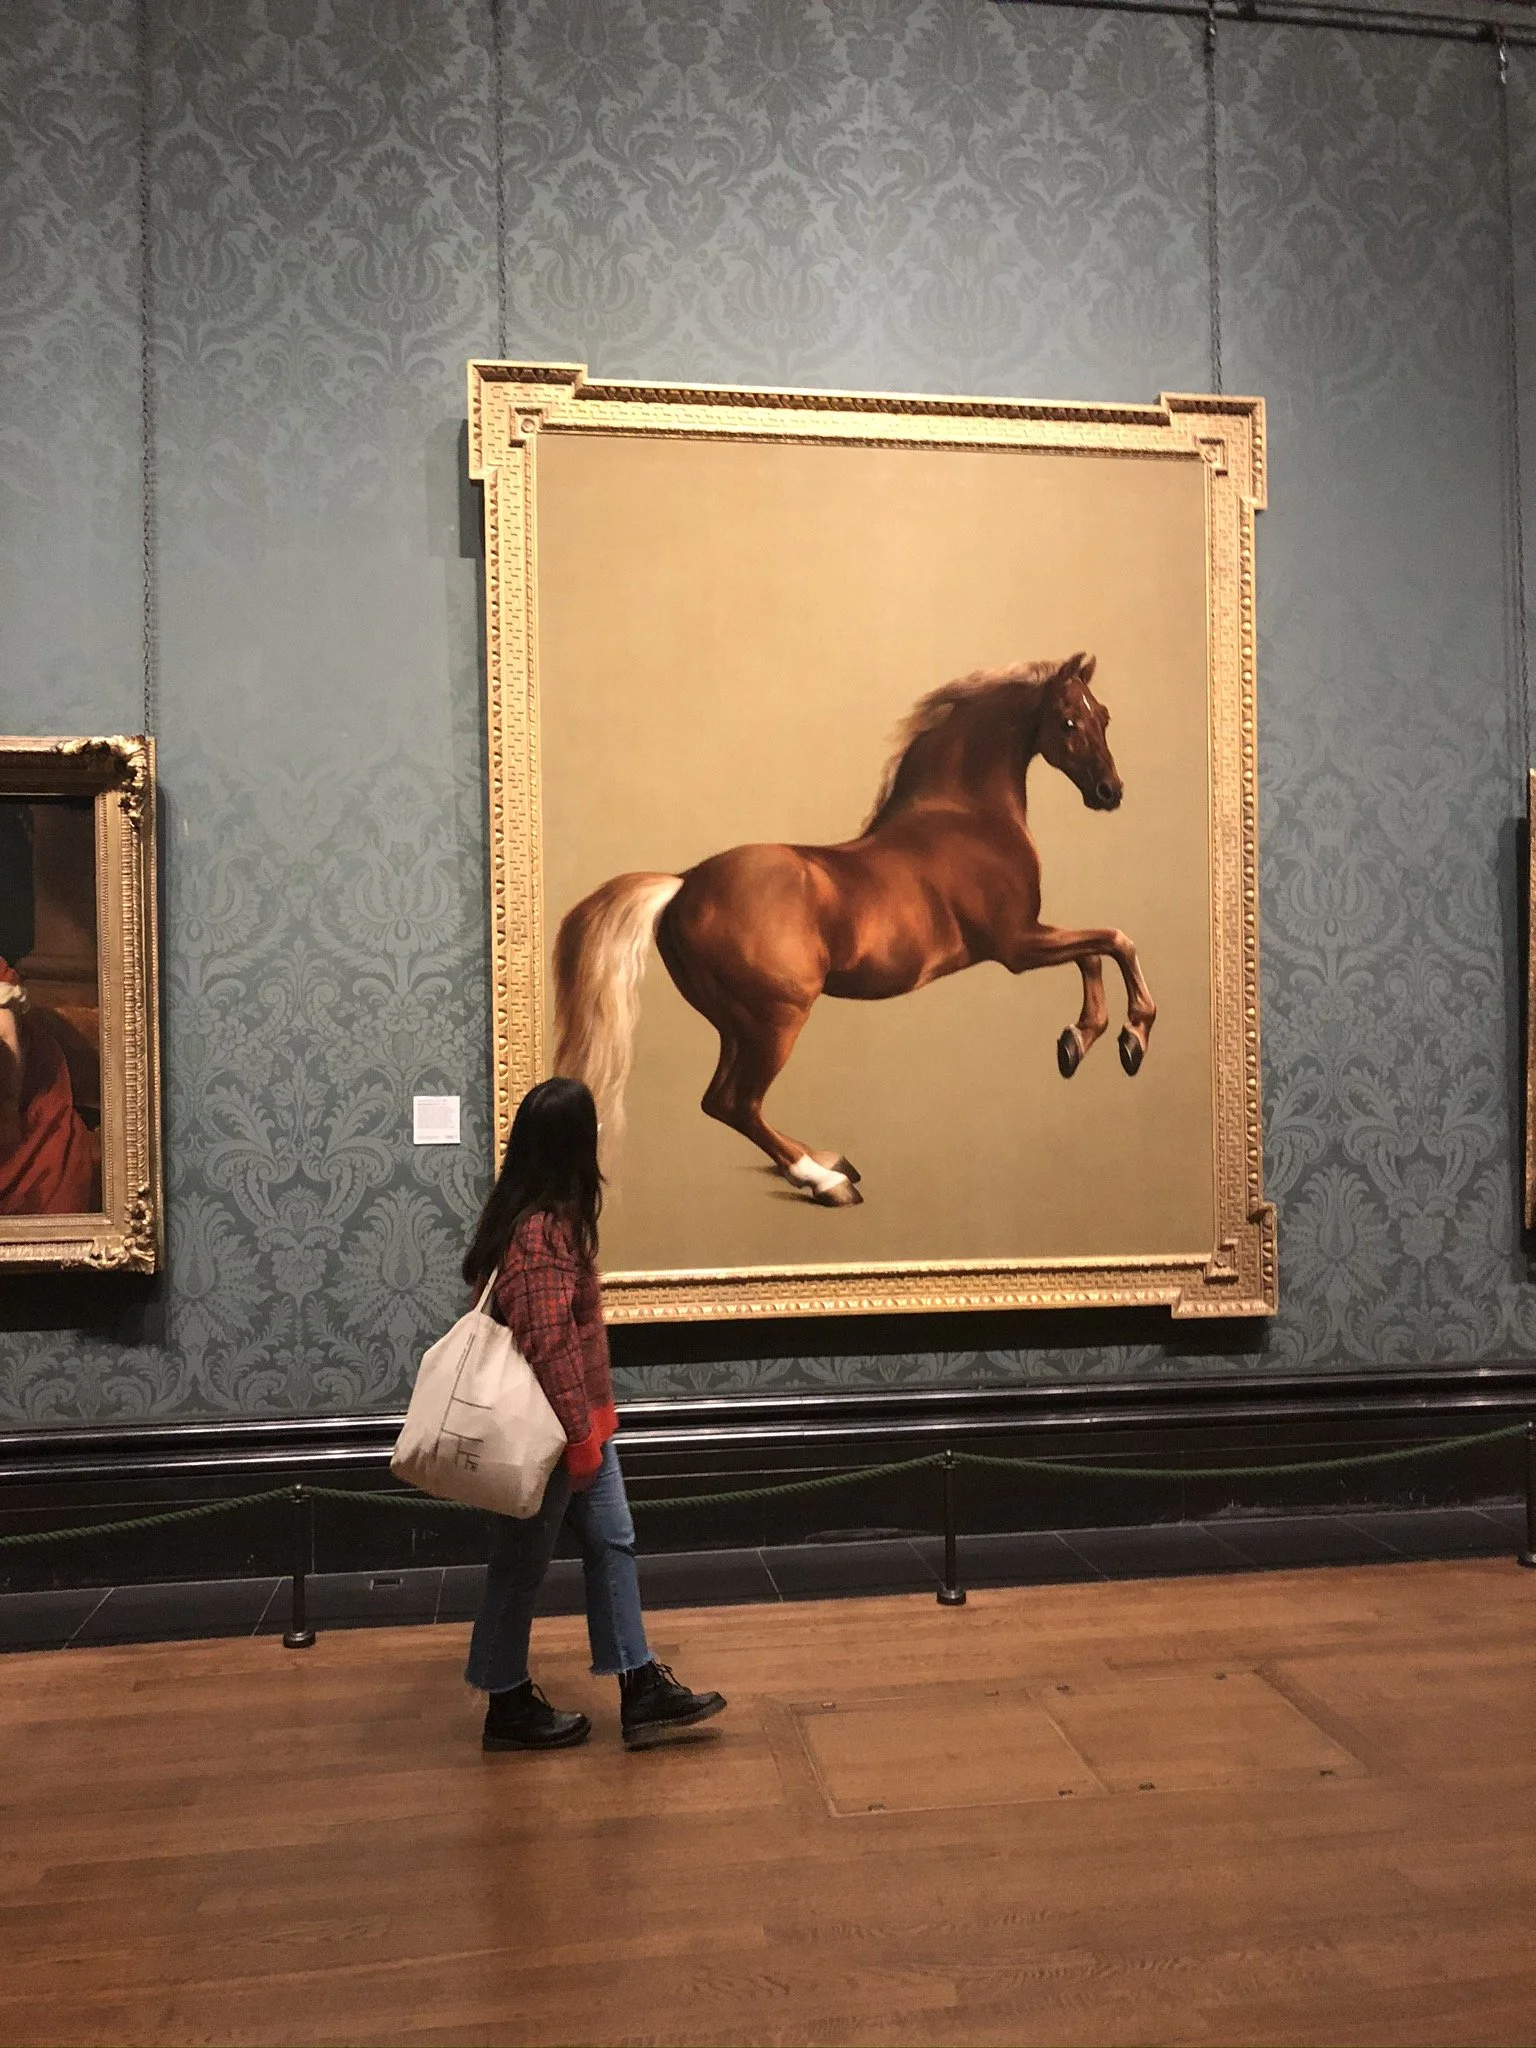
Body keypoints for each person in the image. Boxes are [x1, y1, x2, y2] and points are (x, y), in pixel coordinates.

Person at [461, 1076, 727, 1753]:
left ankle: (640, 1686)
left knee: (613, 1544)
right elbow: (548, 1347)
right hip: (556, 1433)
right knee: (521, 1565)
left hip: (581, 1427)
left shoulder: (550, 1219)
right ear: (572, 1145)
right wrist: (581, 1441)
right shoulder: (541, 1233)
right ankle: (506, 1702)